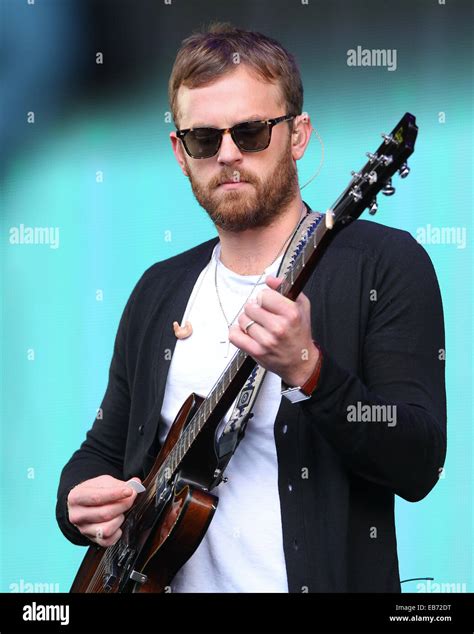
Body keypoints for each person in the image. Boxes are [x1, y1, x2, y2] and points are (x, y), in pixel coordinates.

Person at [56, 23, 446, 593]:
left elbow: (419, 462)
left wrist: (311, 372)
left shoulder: (384, 265)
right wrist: (76, 502)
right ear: (180, 153)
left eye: (251, 132)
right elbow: (102, 449)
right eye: (204, 139)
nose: (229, 155)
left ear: (298, 135)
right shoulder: (158, 289)